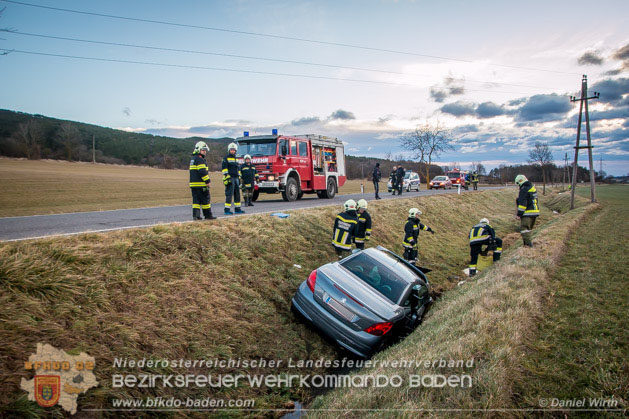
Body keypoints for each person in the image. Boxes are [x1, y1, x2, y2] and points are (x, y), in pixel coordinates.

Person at [189, 141, 215, 220]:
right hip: (201, 184)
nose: (205, 152)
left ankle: (196, 216)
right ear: (198, 150)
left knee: (196, 202)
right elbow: (202, 171)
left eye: (205, 150)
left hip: (194, 185)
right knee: (205, 201)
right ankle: (208, 215)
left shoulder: (193, 159)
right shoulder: (200, 159)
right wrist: (207, 181)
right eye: (203, 150)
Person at [515, 174, 539, 247]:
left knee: (524, 229)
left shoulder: (524, 189)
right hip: (535, 212)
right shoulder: (532, 187)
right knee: (528, 230)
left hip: (527, 213)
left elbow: (523, 204)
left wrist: (519, 214)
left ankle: (529, 246)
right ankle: (526, 246)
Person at [222, 142, 244, 215]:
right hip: (230, 178)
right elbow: (224, 169)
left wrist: (240, 176)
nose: (232, 151)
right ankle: (227, 210)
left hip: (236, 178)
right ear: (229, 150)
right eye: (231, 150)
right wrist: (227, 176)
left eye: (234, 150)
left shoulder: (236, 158)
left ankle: (237, 209)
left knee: (237, 194)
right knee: (229, 194)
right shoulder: (225, 158)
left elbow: (238, 168)